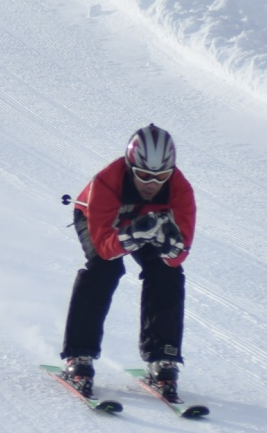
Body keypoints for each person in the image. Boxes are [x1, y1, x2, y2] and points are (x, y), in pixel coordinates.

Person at [59, 124, 195, 402]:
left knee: (166, 272)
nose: (152, 184)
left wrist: (171, 249)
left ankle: (163, 357)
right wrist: (132, 234)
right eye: (143, 175)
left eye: (162, 176)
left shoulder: (180, 190)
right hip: (99, 221)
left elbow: (179, 254)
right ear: (130, 167)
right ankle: (79, 354)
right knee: (104, 269)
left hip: (148, 224)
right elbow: (105, 249)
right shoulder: (107, 181)